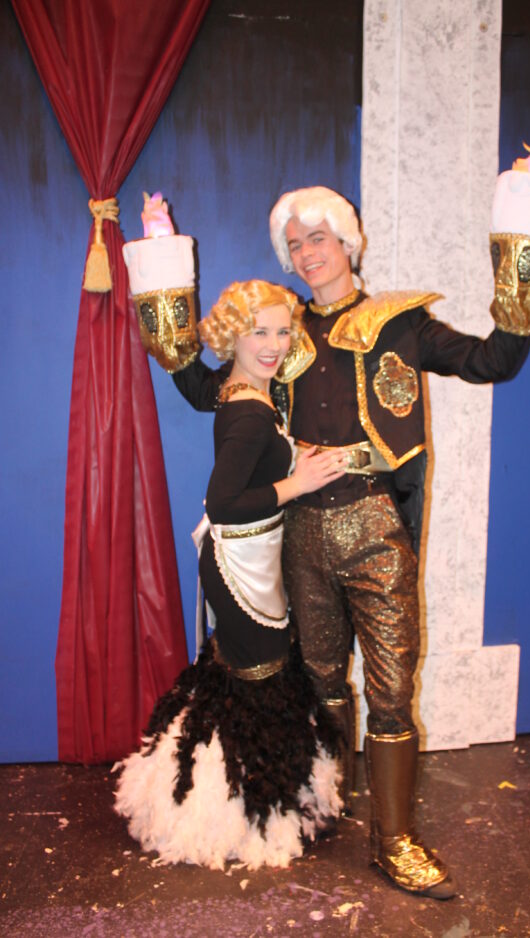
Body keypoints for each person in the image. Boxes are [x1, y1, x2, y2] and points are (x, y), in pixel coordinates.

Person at [264, 185, 530, 899]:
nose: (306, 253)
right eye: (294, 244)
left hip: (376, 529)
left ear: (346, 243)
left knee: (390, 692)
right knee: (321, 681)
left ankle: (394, 841)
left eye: (317, 238)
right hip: (301, 533)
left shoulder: (400, 322)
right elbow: (210, 389)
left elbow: (492, 362)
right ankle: (327, 805)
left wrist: (524, 271)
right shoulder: (278, 330)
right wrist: (163, 308)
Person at [115, 279, 347, 871]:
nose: (273, 344)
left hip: (249, 559)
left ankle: (230, 802)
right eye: (257, 331)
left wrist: (295, 455)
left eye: (282, 331)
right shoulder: (247, 408)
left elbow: (253, 460)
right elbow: (223, 504)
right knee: (259, 683)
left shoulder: (240, 389)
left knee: (249, 683)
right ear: (232, 336)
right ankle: (237, 817)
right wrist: (298, 482)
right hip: (241, 567)